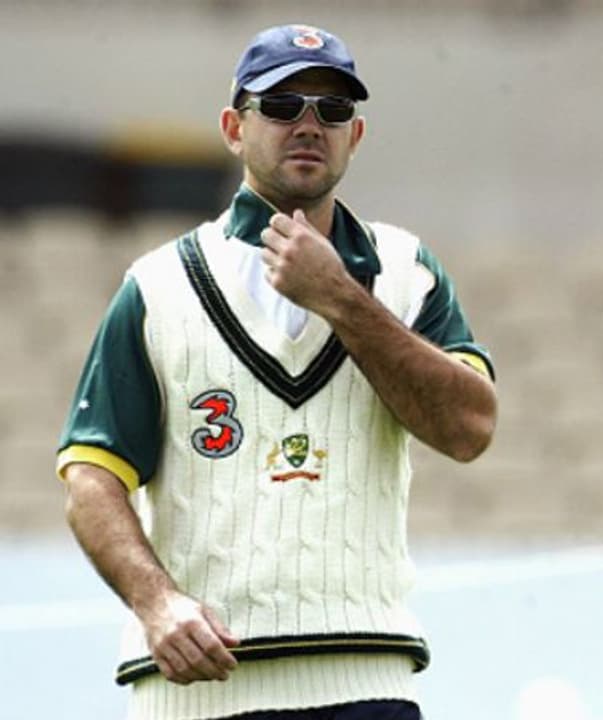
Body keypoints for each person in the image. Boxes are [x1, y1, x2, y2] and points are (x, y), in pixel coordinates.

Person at [56, 24, 497, 720]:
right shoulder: (159, 285)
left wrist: (341, 298)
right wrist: (156, 603)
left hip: (366, 681)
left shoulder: (406, 270)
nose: (309, 125)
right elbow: (91, 477)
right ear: (234, 128)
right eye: (283, 105)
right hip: (197, 695)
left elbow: (469, 429)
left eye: (333, 109)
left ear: (356, 135)